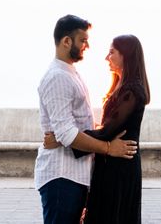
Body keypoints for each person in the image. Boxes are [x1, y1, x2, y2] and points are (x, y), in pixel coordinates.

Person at [35, 15, 138, 224]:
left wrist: (63, 137)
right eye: (82, 40)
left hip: (74, 177)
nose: (87, 45)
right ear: (66, 41)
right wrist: (109, 148)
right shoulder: (58, 77)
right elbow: (68, 133)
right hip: (62, 177)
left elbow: (72, 130)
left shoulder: (70, 73)